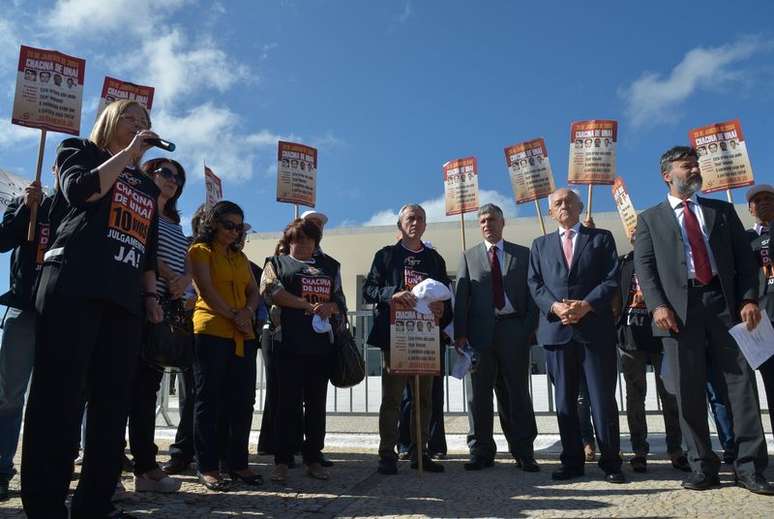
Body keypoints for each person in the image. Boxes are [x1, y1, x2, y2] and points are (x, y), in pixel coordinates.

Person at [20, 99, 164, 518]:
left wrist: (151, 297)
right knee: (59, 396)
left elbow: (147, 248)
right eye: (131, 119)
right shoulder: (77, 150)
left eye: (146, 122)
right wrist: (127, 155)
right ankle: (46, 504)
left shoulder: (147, 188)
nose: (140, 126)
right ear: (110, 122)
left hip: (124, 299)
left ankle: (95, 503)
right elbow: (82, 191)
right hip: (73, 284)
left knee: (112, 402)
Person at [633, 146, 771, 494]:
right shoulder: (650, 219)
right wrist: (657, 306)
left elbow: (745, 259)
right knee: (689, 391)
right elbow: (645, 269)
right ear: (668, 174)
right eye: (686, 165)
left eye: (696, 165)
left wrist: (749, 298)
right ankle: (702, 466)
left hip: (725, 306)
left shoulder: (721, 211)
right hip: (678, 313)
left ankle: (750, 466)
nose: (694, 169)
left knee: (741, 387)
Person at [527, 188, 625, 484]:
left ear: (580, 206)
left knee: (601, 399)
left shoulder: (601, 238)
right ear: (550, 212)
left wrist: (586, 305)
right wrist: (555, 307)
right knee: (566, 402)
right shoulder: (540, 245)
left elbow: (612, 278)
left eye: (569, 201)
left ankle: (611, 461)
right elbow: (534, 283)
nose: (564, 206)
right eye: (557, 203)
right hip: (557, 332)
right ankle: (572, 460)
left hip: (594, 330)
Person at [363, 204, 452, 475]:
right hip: (395, 337)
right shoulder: (386, 256)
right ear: (400, 225)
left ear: (425, 225)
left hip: (426, 339)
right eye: (410, 218)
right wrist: (393, 294)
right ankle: (387, 453)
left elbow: (447, 298)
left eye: (420, 219)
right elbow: (369, 290)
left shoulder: (435, 259)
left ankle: (420, 452)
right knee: (392, 398)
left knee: (424, 399)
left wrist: (442, 309)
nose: (416, 222)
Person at [454, 203, 539, 471]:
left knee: (517, 394)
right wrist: (460, 335)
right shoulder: (469, 257)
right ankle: (480, 450)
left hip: (514, 331)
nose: (487, 225)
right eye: (482, 222)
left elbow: (533, 294)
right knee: (478, 395)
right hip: (479, 337)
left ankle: (523, 450)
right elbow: (460, 298)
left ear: (503, 223)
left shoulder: (523, 254)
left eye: (491, 220)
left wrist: (527, 329)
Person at [259, 218, 345, 483]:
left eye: (308, 238)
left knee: (317, 405)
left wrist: (331, 307)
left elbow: (340, 300)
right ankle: (282, 460)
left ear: (316, 242)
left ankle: (313, 458)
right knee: (286, 405)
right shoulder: (275, 263)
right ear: (289, 241)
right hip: (287, 345)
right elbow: (270, 291)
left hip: (320, 348)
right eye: (296, 238)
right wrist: (305, 305)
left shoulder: (330, 266)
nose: (302, 243)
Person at [126, 158, 190, 493]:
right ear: (147, 173)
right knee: (120, 389)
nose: (172, 180)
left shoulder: (175, 223)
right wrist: (165, 275)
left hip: (164, 312)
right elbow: (142, 250)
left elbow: (185, 260)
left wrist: (183, 281)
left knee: (146, 391)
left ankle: (146, 467)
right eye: (165, 173)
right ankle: (108, 465)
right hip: (136, 303)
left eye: (178, 177)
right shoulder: (139, 205)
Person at [189, 201, 262, 492]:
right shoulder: (199, 251)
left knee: (242, 401)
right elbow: (205, 290)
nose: (233, 232)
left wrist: (247, 312)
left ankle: (238, 462)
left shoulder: (240, 257)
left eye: (238, 227)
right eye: (228, 225)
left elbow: (254, 292)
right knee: (209, 399)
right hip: (211, 331)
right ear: (214, 223)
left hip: (242, 334)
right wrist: (235, 315)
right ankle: (207, 466)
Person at [0, 170, 63, 501]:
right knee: (9, 396)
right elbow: (3, 240)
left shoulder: (78, 207)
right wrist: (26, 207)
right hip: (24, 308)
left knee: (56, 399)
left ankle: (46, 474)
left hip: (62, 313)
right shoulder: (23, 202)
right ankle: (1, 470)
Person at [616, 236, 689, 473]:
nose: (638, 235)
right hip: (630, 337)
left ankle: (675, 449)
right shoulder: (622, 261)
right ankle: (639, 450)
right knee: (635, 396)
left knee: (669, 394)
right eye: (634, 231)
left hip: (662, 334)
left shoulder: (663, 258)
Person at [162, 204, 206, 476]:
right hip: (186, 324)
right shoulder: (185, 247)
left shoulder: (225, 253)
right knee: (190, 392)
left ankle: (209, 451)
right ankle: (182, 451)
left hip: (215, 328)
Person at [746, 184, 774, 436]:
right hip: (763, 320)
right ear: (750, 208)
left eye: (769, 198)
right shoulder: (745, 239)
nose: (763, 202)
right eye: (758, 200)